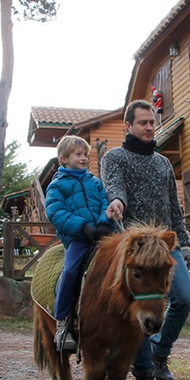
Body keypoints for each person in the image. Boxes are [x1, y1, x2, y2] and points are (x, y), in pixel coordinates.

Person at [101, 99, 190, 380]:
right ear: (128, 126)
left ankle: (160, 354)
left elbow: (174, 209)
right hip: (136, 245)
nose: (149, 127)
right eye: (142, 122)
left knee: (184, 298)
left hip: (166, 245)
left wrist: (186, 243)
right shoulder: (114, 157)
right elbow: (115, 187)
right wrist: (116, 202)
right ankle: (143, 376)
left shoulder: (163, 162)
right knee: (139, 307)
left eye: (152, 122)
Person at [45, 135, 114, 353]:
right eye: (78, 154)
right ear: (64, 158)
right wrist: (83, 227)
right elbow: (56, 212)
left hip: (102, 236)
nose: (84, 158)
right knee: (72, 271)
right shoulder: (57, 186)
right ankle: (63, 321)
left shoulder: (95, 182)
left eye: (86, 154)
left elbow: (105, 202)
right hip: (78, 238)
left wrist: (104, 223)